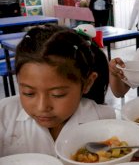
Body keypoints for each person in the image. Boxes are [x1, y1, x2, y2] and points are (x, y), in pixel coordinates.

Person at [0, 24, 114, 156]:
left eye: (58, 94)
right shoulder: (4, 115)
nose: (42, 107)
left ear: (87, 83)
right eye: (28, 93)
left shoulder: (103, 120)